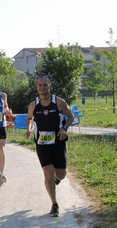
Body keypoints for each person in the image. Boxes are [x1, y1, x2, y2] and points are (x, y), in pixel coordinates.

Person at [24, 75, 75, 217]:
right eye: (40, 85)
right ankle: (54, 204)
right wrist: (27, 130)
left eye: (45, 85)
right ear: (37, 88)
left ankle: (55, 180)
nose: (42, 88)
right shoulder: (33, 105)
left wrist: (64, 129)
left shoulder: (59, 102)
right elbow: (28, 118)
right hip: (42, 144)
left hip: (58, 142)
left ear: (50, 86)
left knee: (61, 175)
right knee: (48, 172)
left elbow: (71, 116)